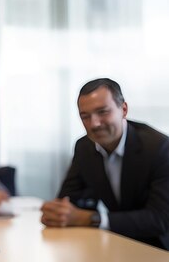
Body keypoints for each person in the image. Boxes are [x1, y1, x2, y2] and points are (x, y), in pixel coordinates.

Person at [41, 78, 169, 250]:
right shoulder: (84, 147)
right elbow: (69, 198)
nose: (94, 124)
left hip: (158, 250)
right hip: (115, 244)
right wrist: (57, 213)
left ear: (123, 110)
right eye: (85, 116)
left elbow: (160, 219)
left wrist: (92, 218)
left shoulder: (159, 148)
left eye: (102, 112)